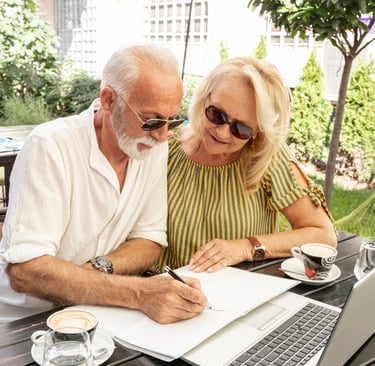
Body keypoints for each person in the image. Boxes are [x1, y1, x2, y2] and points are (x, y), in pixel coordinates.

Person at [0, 44, 208, 324]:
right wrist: (139, 294)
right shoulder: (49, 146)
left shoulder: (152, 146)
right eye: (150, 121)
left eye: (171, 120)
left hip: (100, 311)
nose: (162, 136)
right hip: (26, 321)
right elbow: (26, 270)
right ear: (109, 100)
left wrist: (95, 272)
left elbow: (150, 240)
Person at [155, 56, 337, 274]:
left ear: (257, 133)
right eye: (216, 114)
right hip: (165, 291)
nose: (221, 132)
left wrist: (246, 247)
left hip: (241, 295)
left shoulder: (266, 156)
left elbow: (323, 235)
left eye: (240, 128)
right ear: (204, 99)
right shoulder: (165, 148)